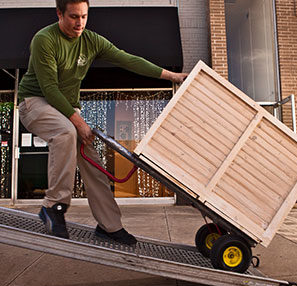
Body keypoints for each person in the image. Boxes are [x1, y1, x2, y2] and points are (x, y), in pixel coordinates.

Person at [18, 0, 188, 245]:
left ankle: (109, 226)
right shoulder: (44, 39)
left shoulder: (91, 41)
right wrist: (79, 123)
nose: (80, 23)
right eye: (74, 17)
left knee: (93, 164)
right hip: (36, 103)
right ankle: (53, 207)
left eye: (84, 17)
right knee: (66, 132)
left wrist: (172, 75)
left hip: (67, 110)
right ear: (59, 13)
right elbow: (50, 89)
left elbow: (128, 59)